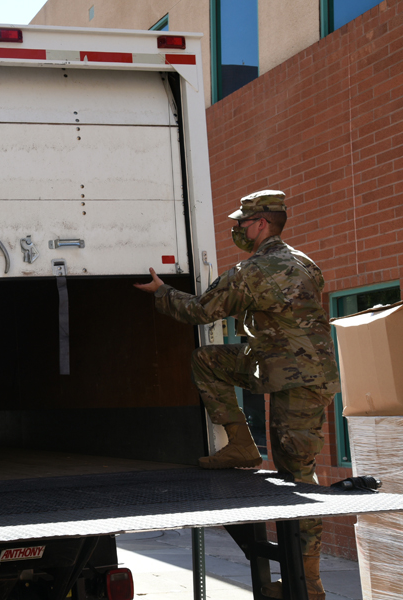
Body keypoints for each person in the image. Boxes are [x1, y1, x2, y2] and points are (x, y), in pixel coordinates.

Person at [134, 190, 339, 600]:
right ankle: (242, 446)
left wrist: (161, 291)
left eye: (242, 223)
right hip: (288, 365)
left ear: (261, 223)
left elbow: (200, 311)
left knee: (298, 476)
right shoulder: (305, 262)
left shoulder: (253, 271)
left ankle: (310, 586)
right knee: (208, 360)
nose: (237, 230)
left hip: (297, 381)